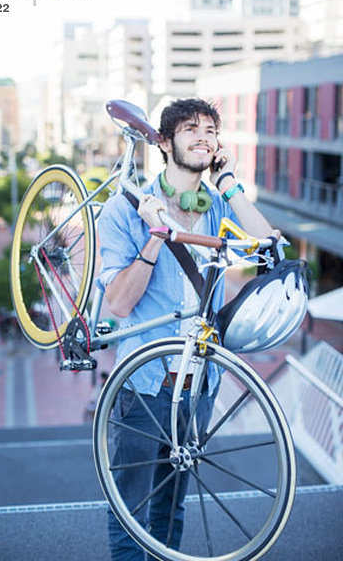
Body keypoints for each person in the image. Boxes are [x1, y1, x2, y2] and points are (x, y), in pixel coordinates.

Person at [97, 98, 276, 560]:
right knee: (130, 505)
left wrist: (230, 183)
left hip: (199, 384)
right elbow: (118, 302)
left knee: (172, 506)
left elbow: (268, 250)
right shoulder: (124, 210)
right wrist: (155, 236)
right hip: (142, 386)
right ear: (163, 141)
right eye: (191, 128)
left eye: (212, 130)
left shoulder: (217, 207)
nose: (204, 136)